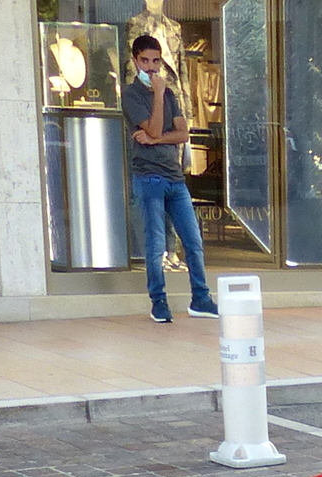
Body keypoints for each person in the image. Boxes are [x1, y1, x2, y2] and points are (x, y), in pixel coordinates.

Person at [125, 34, 214, 321]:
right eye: (145, 61)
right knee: (155, 244)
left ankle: (201, 299)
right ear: (136, 61)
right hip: (148, 176)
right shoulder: (131, 94)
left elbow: (183, 134)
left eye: (155, 61)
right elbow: (150, 128)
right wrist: (158, 95)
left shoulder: (172, 94)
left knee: (192, 240)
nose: (151, 67)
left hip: (175, 177)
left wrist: (157, 139)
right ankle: (158, 302)